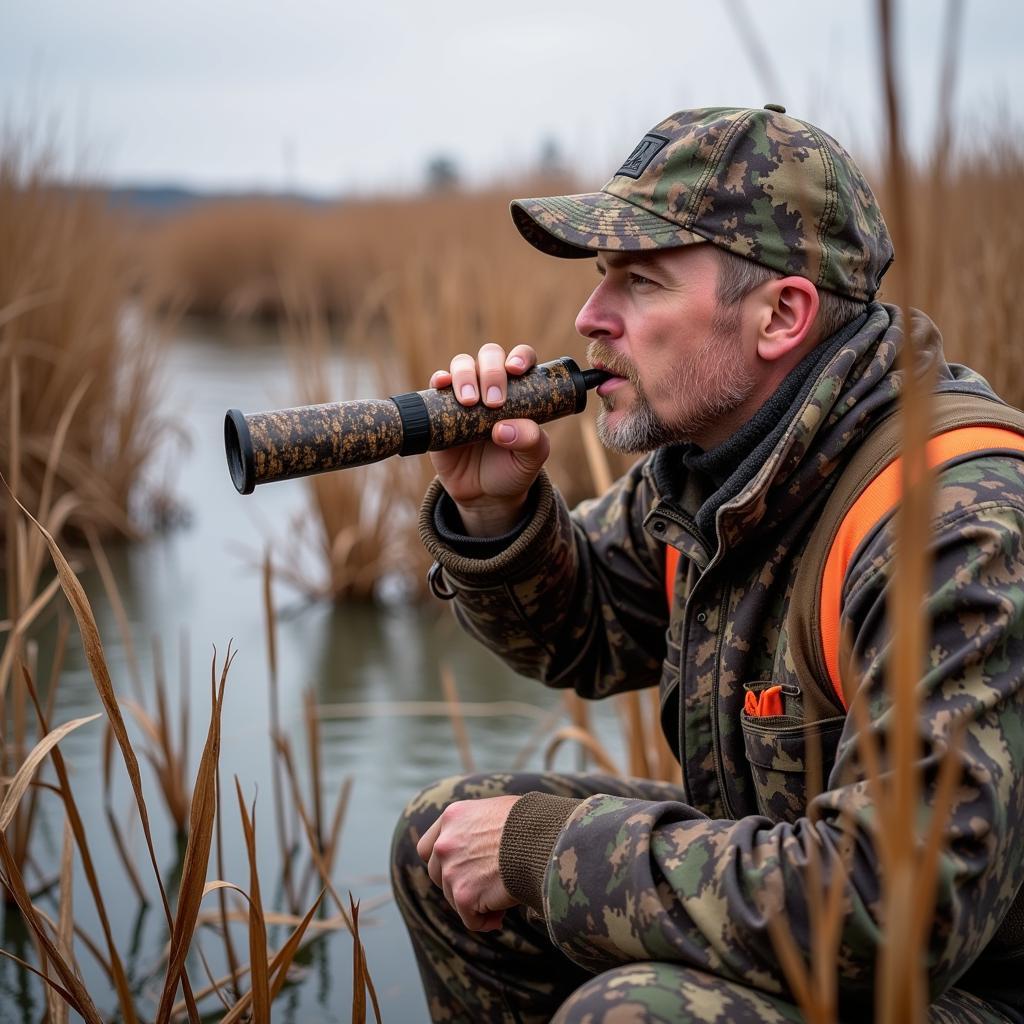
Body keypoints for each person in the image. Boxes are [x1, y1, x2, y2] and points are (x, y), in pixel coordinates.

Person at [390, 105, 1024, 1023]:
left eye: (639, 282)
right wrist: (497, 515)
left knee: (633, 1013)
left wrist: (550, 849)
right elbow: (589, 630)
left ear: (781, 316)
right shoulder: (723, 462)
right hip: (829, 932)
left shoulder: (957, 527)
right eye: (602, 278)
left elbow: (895, 911)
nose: (589, 317)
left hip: (969, 985)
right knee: (439, 845)